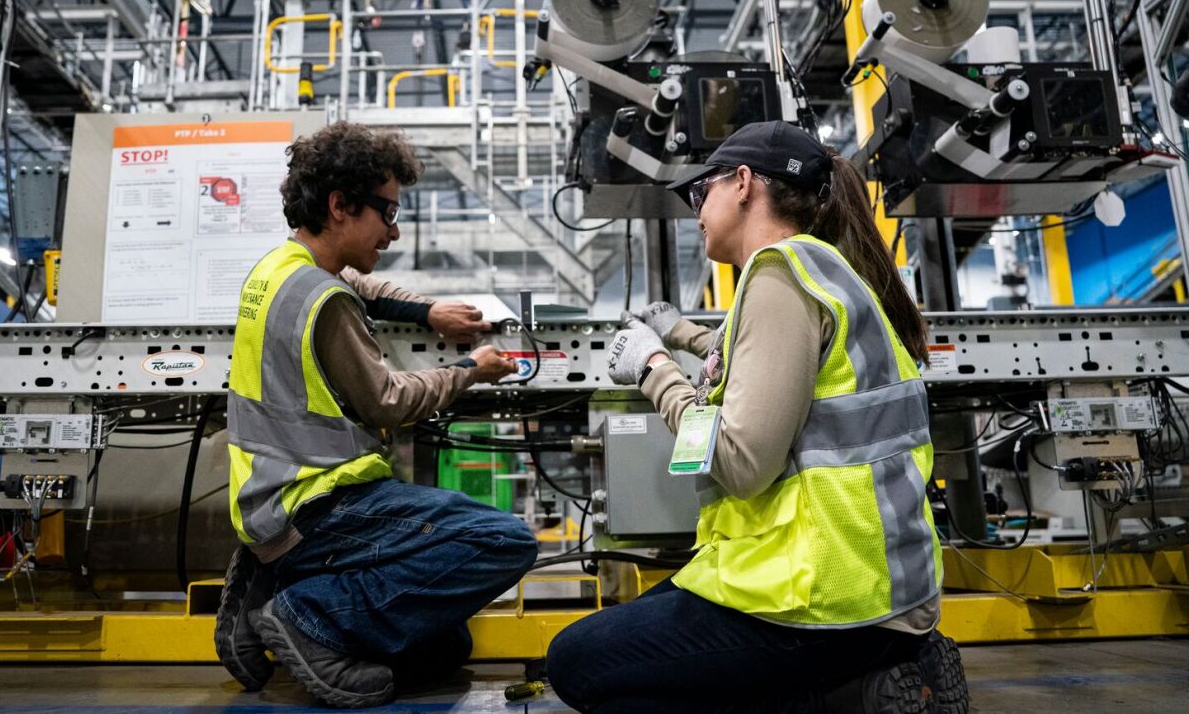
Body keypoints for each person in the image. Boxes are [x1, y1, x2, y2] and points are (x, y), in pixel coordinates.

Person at [546, 121, 968, 713]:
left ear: (743, 183)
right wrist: (686, 335)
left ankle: (847, 699)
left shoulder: (778, 274)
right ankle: (861, 683)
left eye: (702, 192)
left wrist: (653, 371)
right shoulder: (816, 270)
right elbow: (752, 370)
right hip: (860, 586)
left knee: (579, 664)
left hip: (827, 598)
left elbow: (741, 464)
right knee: (631, 657)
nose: (696, 210)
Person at [214, 122, 538, 709]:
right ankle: (304, 613)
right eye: (386, 213)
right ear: (340, 206)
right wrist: (470, 370)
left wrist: (428, 309)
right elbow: (388, 400)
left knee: (444, 645)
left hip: (268, 497)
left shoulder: (278, 270)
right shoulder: (327, 301)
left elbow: (360, 282)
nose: (394, 230)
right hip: (322, 500)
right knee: (505, 541)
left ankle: (274, 581)